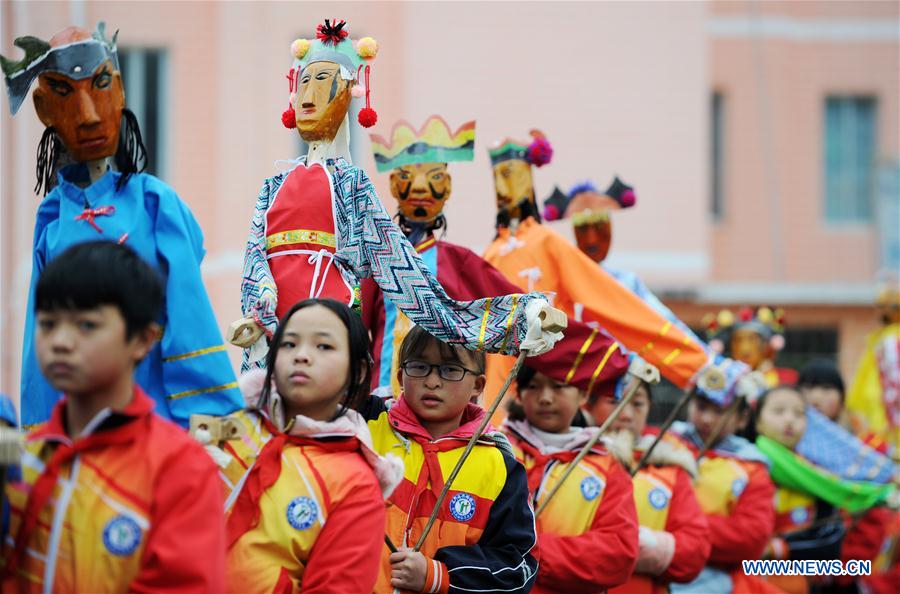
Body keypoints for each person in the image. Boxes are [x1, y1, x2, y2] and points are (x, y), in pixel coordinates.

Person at [233, 21, 562, 372]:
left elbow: (404, 274)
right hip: (269, 335)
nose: (309, 95)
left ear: (346, 96)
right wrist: (261, 308)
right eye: (305, 83)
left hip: (327, 326)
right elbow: (255, 258)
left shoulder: (350, 182)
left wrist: (518, 319)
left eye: (325, 81)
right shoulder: (274, 184)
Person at [2, 23, 242, 427]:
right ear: (45, 111)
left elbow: (188, 310)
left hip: (156, 422)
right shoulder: (52, 218)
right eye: (65, 94)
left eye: (100, 87)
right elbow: (38, 337)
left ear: (119, 91)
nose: (89, 116)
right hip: (80, 427)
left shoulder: (153, 203)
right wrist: (43, 436)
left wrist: (208, 416)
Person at [363, 116, 628, 415]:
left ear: (447, 188)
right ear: (393, 187)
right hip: (381, 407)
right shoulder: (375, 259)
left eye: (435, 177)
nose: (420, 188)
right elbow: (353, 330)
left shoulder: (461, 263)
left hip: (443, 408)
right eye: (407, 178)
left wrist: (608, 361)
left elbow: (523, 317)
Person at [1, 241, 225, 592]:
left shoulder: (180, 467)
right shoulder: (23, 456)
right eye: (47, 324)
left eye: (86, 325)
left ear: (142, 340)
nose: (60, 341)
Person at [482, 131, 711, 397]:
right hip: (520, 385)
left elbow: (651, 321)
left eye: (599, 227)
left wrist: (701, 364)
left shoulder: (552, 246)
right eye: (583, 229)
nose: (591, 238)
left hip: (592, 385)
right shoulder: (493, 253)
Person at [203, 298, 402, 593]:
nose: (302, 356)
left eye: (323, 346)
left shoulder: (355, 484)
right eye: (289, 344)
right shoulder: (231, 423)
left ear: (358, 372)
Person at [366, 325, 538, 593]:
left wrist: (438, 575)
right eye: (420, 366)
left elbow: (519, 568)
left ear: (478, 385)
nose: (433, 381)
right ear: (401, 377)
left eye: (450, 370)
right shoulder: (365, 427)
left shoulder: (500, 467)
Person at [503, 366, 639, 593]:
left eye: (559, 386)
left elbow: (618, 553)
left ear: (584, 393)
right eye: (533, 386)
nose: (545, 398)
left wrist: (531, 551)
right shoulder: (495, 449)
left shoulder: (607, 465)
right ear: (519, 392)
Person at [588, 373, 711, 594]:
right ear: (588, 404)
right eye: (615, 400)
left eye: (637, 403)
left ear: (649, 408)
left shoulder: (669, 466)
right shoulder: (573, 459)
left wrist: (634, 545)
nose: (625, 414)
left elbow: (695, 551)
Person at [668, 359, 777, 594]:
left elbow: (749, 538)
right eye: (701, 407)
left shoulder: (752, 468)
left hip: (713, 576)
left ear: (742, 419)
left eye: (719, 411)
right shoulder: (666, 444)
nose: (707, 419)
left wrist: (676, 525)